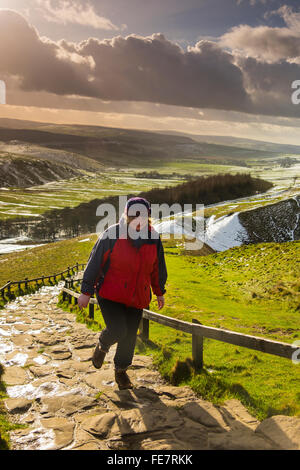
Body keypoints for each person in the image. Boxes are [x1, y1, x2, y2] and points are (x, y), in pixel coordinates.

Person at [78, 197, 168, 390]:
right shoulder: (112, 234)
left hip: (137, 296)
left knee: (129, 336)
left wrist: (159, 291)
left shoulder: (153, 238)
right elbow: (94, 263)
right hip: (110, 293)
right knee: (119, 330)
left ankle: (121, 371)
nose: (138, 219)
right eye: (134, 215)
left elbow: (157, 268)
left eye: (142, 215)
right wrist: (86, 291)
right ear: (126, 215)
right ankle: (103, 344)